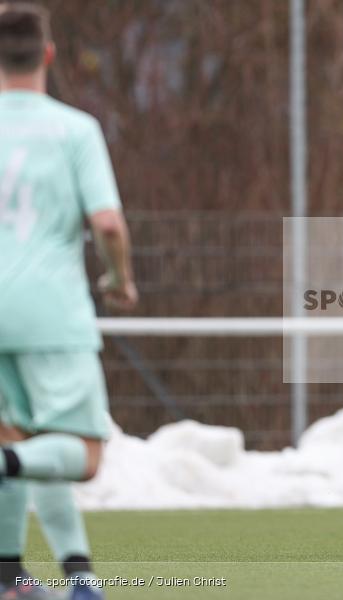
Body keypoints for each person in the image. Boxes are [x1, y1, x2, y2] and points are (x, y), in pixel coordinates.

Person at [0, 3, 137, 598]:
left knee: (22, 438)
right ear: (49, 55)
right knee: (80, 454)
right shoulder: (74, 128)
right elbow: (107, 223)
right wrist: (119, 279)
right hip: (49, 310)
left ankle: (31, 578)